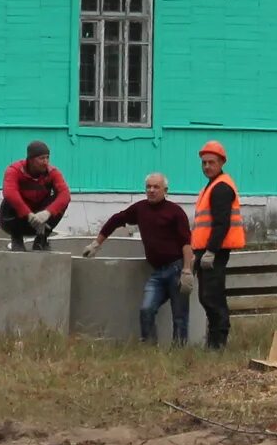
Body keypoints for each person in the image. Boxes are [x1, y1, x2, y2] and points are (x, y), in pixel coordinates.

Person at [95, 171, 194, 343]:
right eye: (148, 187)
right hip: (157, 272)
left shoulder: (175, 212)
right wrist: (96, 243)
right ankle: (149, 347)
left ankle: (179, 353)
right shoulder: (140, 209)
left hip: (176, 268)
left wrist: (187, 270)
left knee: (179, 314)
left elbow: (186, 242)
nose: (152, 190)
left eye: (156, 187)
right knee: (146, 309)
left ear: (165, 190)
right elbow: (116, 219)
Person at [192, 140, 245, 351]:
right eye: (204, 163)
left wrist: (211, 252)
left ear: (221, 162)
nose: (206, 166)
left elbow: (222, 223)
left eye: (211, 162)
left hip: (214, 252)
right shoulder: (212, 185)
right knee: (207, 297)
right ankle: (214, 342)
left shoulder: (221, 187)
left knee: (212, 298)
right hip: (206, 251)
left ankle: (218, 343)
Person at [0, 141, 70, 250]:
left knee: (60, 200)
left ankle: (41, 239)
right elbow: (9, 192)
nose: (45, 162)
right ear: (30, 160)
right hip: (16, 221)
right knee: (9, 200)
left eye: (47, 158)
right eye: (41, 158)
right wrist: (28, 214)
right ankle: (16, 239)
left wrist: (47, 212)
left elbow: (65, 195)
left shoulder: (52, 172)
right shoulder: (15, 170)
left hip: (40, 221)